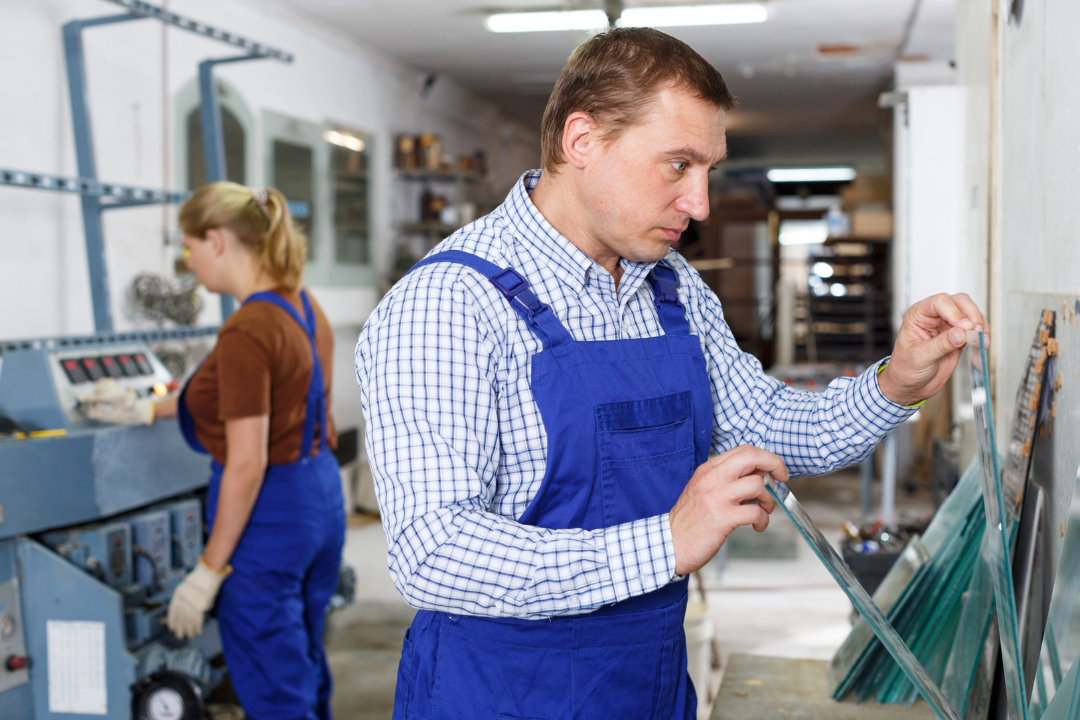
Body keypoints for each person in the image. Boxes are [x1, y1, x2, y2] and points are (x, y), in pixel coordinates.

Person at [354, 28, 986, 720]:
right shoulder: (447, 304)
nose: (701, 203)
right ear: (582, 142)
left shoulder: (671, 286)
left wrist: (895, 383)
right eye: (678, 165)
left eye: (709, 170)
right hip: (501, 696)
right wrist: (664, 543)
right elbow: (434, 552)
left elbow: (768, 427)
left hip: (648, 685)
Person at [84, 182, 346, 720]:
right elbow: (284, 405)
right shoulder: (303, 305)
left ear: (219, 241)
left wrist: (209, 569)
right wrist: (144, 407)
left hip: (270, 517)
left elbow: (247, 466)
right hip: (320, 497)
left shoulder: (247, 330)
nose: (189, 262)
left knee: (274, 684)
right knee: (300, 659)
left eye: (190, 246)